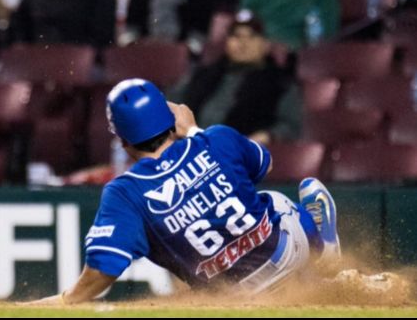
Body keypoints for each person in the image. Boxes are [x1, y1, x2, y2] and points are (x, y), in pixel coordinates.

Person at [34, 78, 341, 304]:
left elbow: (103, 269)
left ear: (123, 141)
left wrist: (67, 300)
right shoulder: (216, 138)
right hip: (285, 256)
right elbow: (265, 164)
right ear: (171, 119)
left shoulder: (125, 192)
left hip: (231, 299)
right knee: (273, 200)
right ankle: (320, 243)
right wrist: (196, 133)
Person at [175, 11, 302, 145]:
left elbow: (291, 127)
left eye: (252, 37)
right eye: (236, 36)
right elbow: (173, 101)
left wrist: (265, 136)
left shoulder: (279, 83)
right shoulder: (205, 74)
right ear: (227, 43)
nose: (243, 43)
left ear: (265, 45)